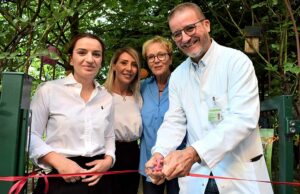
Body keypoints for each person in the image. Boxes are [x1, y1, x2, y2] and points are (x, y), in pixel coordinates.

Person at [145, 3, 273, 194]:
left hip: (239, 176)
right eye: (177, 34)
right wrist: (159, 152)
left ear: (207, 24)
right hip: (197, 179)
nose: (185, 38)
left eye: (190, 28)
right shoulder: (178, 76)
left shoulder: (236, 62)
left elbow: (243, 119)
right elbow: (175, 121)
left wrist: (193, 153)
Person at [29, 33, 115, 194]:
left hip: (99, 179)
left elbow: (109, 136)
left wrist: (108, 160)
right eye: (82, 52)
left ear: (101, 61)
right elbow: (30, 134)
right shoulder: (49, 90)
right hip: (61, 178)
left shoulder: (107, 97)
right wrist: (58, 161)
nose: (90, 59)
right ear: (71, 59)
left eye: (96, 54)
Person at [139, 36, 184, 194]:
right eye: (151, 57)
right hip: (150, 163)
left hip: (178, 162)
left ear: (170, 58)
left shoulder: (182, 85)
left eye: (161, 55)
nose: (156, 60)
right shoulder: (142, 87)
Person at [104, 47, 142, 194]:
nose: (129, 68)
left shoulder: (138, 97)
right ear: (114, 66)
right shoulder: (102, 95)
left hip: (133, 153)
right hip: (109, 153)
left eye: (133, 64)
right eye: (124, 63)